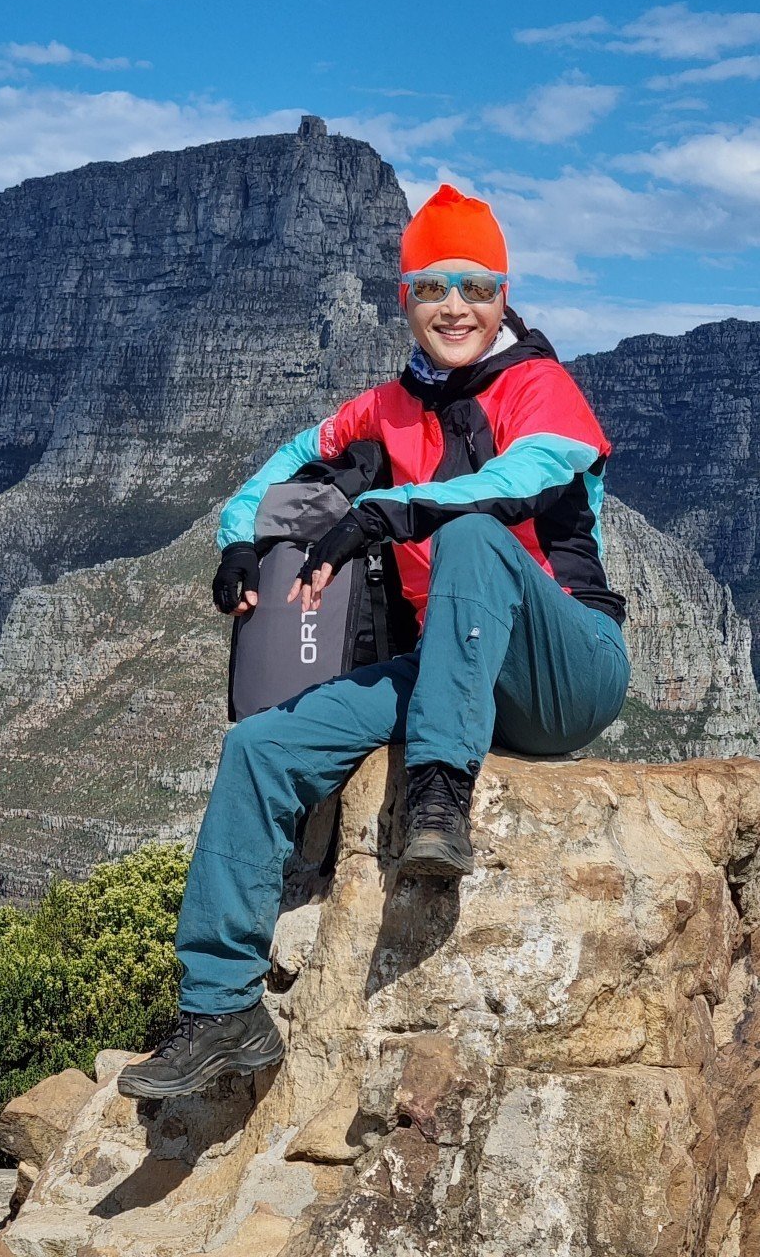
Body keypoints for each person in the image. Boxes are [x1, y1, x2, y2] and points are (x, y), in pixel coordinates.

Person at [118, 183, 630, 1101]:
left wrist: (394, 510)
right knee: (260, 747)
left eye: (475, 287)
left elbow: (523, 476)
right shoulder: (385, 409)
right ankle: (219, 1010)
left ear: (503, 296)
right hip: (450, 669)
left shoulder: (542, 386)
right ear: (407, 300)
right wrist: (241, 536)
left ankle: (438, 801)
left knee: (472, 534)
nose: (455, 307)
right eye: (433, 288)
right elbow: (281, 468)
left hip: (567, 668)